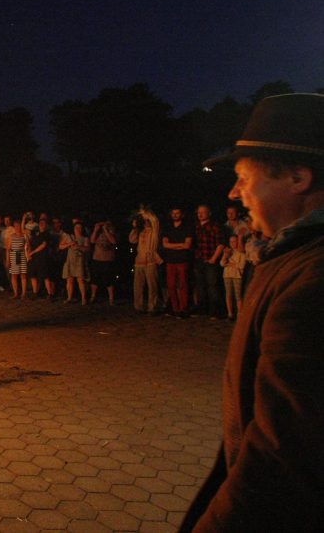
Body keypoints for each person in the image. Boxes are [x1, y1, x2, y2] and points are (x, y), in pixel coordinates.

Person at [181, 93, 324, 531]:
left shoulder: (312, 283)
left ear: (298, 177)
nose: (233, 192)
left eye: (244, 177)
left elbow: (280, 459)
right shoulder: (293, 260)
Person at [161, 208, 194, 317]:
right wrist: (180, 245)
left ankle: (183, 308)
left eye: (177, 213)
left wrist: (172, 245)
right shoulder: (167, 228)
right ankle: (175, 309)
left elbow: (188, 245)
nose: (175, 215)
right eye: (173, 213)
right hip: (170, 260)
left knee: (183, 285)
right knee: (171, 285)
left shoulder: (187, 227)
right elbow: (165, 244)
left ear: (182, 214)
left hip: (182, 260)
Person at [193, 204, 224, 318]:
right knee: (200, 286)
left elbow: (220, 243)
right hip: (198, 260)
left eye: (203, 212)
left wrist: (213, 259)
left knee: (213, 286)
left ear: (209, 213)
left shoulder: (215, 226)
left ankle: (215, 311)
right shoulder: (196, 226)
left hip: (210, 259)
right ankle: (202, 309)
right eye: (198, 212)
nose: (200, 214)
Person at [128, 208, 161, 314]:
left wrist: (145, 213)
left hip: (151, 260)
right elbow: (132, 240)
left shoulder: (154, 231)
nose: (146, 222)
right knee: (138, 286)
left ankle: (152, 307)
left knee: (152, 286)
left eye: (147, 220)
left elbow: (155, 221)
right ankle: (138, 307)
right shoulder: (140, 232)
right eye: (144, 221)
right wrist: (134, 227)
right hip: (139, 261)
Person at [60, 221, 90, 304]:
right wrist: (69, 244)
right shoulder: (69, 237)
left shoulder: (85, 238)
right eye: (77, 227)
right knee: (69, 280)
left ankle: (83, 298)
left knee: (80, 280)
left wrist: (78, 247)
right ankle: (69, 298)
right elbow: (61, 246)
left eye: (80, 227)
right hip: (70, 260)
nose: (78, 229)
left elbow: (87, 249)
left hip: (79, 261)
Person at [89, 219, 118, 305]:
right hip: (97, 259)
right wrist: (95, 230)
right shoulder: (97, 231)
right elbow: (92, 240)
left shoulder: (112, 230)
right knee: (94, 279)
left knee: (109, 279)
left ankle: (111, 299)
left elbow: (113, 241)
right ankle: (93, 296)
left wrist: (106, 230)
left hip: (108, 259)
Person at [219, 234, 246, 320]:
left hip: (237, 276)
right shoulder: (228, 252)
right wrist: (225, 256)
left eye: (234, 241)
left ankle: (240, 313)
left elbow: (241, 265)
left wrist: (229, 264)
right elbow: (222, 264)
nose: (232, 243)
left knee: (238, 295)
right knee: (228, 294)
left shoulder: (241, 252)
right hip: (227, 275)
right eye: (231, 242)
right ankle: (230, 313)